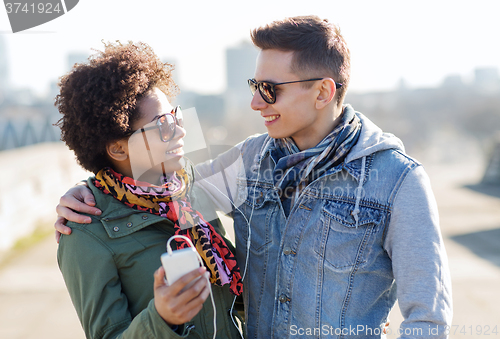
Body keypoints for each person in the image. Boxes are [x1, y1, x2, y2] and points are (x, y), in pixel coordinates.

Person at [56, 16, 452, 338]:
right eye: (253, 85)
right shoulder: (246, 162)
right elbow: (158, 188)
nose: (254, 102)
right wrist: (83, 192)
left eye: (269, 89)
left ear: (323, 92)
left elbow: (429, 321)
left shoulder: (399, 181)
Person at [54, 41, 243, 339]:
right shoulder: (85, 232)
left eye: (176, 116)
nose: (180, 130)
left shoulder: (188, 187)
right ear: (118, 148)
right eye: (164, 125)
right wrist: (162, 319)